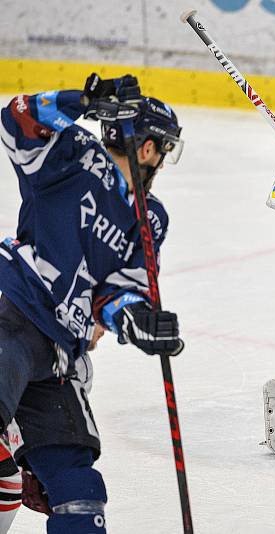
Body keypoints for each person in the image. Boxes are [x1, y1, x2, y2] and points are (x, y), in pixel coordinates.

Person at [0, 73, 184, 533]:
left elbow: (119, 289)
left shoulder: (149, 217)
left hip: (59, 355)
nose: (162, 160)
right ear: (148, 148)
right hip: (13, 316)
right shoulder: (73, 153)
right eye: (164, 149)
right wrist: (80, 101)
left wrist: (136, 318)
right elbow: (15, 119)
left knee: (78, 491)